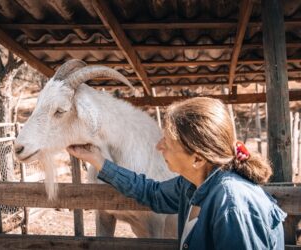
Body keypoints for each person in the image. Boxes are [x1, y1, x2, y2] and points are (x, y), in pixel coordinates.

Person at [67, 97, 286, 250]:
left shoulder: (232, 205)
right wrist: (99, 161)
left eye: (168, 143)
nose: (159, 146)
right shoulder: (193, 184)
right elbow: (151, 193)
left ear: (197, 158)